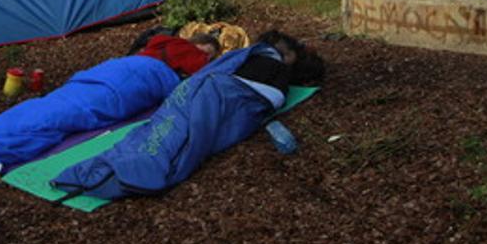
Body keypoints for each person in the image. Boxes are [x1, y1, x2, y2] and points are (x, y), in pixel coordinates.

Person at [53, 29, 325, 201]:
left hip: (206, 91)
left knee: (164, 135)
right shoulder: (266, 64)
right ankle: (109, 172)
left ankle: (109, 172)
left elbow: (240, 97)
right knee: (163, 132)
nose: (282, 55)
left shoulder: (266, 66)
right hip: (199, 90)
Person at [0, 30, 219, 180]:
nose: (206, 56)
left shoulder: (159, 41)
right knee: (69, 114)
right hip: (130, 81)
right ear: (196, 43)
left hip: (109, 71)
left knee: (55, 105)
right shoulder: (189, 52)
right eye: (207, 51)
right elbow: (204, 78)